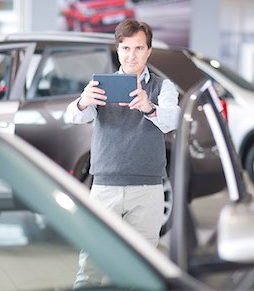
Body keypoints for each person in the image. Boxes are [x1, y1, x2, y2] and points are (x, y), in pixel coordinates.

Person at [64, 19, 181, 288]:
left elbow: (173, 118)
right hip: (105, 186)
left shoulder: (163, 88)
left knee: (142, 265)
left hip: (147, 188)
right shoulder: (101, 85)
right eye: (126, 48)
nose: (132, 55)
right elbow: (73, 116)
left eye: (139, 48)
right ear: (118, 49)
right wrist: (84, 101)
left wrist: (149, 108)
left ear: (149, 51)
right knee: (91, 263)